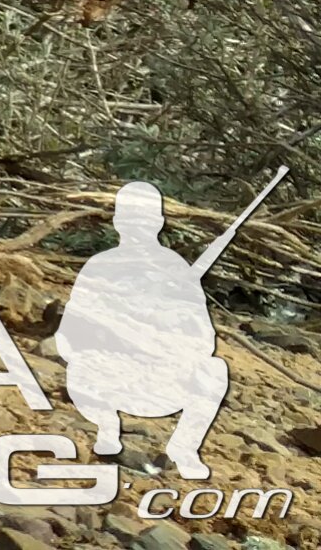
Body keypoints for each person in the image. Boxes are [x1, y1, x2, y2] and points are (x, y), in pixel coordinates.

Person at [55, 180, 233, 477]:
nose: (138, 228)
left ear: (159, 223)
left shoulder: (176, 271)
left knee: (214, 371)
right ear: (117, 222)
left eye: (145, 222)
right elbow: (68, 338)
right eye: (131, 221)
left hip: (160, 381)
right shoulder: (99, 265)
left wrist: (168, 335)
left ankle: (184, 448)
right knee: (81, 365)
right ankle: (107, 429)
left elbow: (204, 342)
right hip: (106, 378)